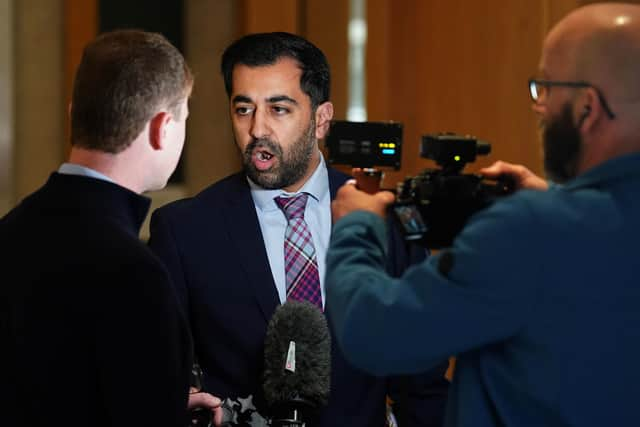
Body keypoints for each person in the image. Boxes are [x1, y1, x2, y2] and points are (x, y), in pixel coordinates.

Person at [325, 3, 640, 426]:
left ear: (587, 107)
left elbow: (375, 333)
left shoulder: (530, 231)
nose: (538, 106)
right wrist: (555, 199)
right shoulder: (559, 223)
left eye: (545, 86)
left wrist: (355, 227)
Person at [149, 32, 449, 426]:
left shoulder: (384, 216)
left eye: (279, 109)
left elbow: (422, 385)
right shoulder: (184, 230)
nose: (257, 129)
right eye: (243, 109)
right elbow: (160, 380)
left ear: (321, 119)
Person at [0, 30, 206, 427]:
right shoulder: (135, 275)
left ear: (73, 111)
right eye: (185, 119)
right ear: (162, 128)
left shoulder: (8, 234)